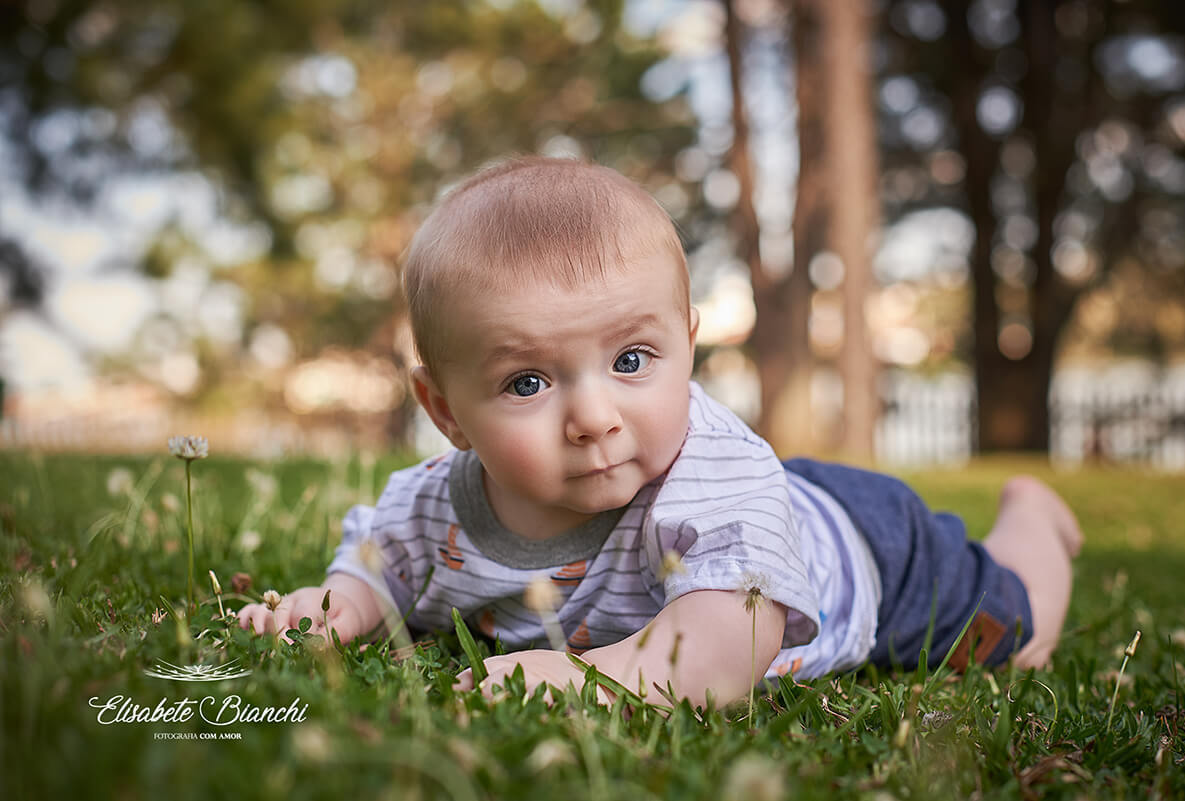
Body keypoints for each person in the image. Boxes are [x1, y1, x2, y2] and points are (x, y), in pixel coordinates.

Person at [238, 157, 1082, 708]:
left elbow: (721, 652)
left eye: (632, 360)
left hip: (871, 557)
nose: (594, 416)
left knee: (1016, 639)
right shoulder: (433, 504)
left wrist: (589, 676)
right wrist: (335, 606)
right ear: (446, 410)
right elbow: (382, 563)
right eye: (528, 382)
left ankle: (1035, 519)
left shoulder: (710, 478)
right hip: (785, 503)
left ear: (689, 343)